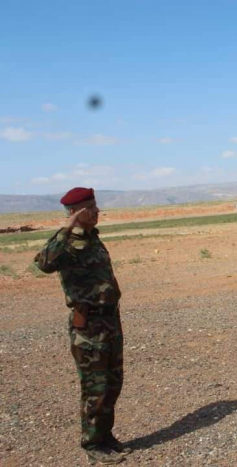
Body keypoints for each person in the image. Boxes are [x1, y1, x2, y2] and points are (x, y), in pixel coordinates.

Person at [34, 187, 130, 465]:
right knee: (94, 386)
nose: (97, 211)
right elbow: (44, 264)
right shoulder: (65, 243)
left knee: (113, 382)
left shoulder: (93, 239)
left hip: (110, 319)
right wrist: (67, 227)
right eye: (91, 207)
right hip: (88, 326)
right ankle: (92, 443)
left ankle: (105, 436)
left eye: (96, 205)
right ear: (76, 212)